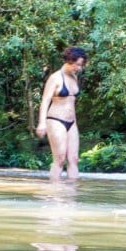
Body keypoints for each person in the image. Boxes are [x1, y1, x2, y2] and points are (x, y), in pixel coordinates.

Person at [36, 46, 88, 181]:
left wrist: (74, 124)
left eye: (81, 65)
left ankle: (72, 196)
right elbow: (45, 100)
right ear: (69, 61)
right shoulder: (55, 78)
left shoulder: (74, 77)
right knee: (59, 159)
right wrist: (41, 124)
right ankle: (55, 195)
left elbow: (71, 103)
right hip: (55, 120)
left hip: (72, 122)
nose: (79, 68)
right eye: (77, 64)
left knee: (74, 159)